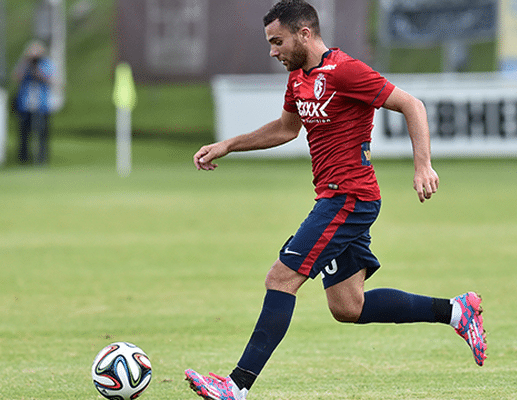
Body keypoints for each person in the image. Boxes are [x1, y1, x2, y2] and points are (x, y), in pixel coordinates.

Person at [185, 1, 486, 399]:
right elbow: (286, 129)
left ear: (304, 34)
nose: (273, 51)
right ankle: (456, 311)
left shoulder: (344, 70)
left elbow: (412, 105)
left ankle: (237, 386)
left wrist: (423, 166)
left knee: (280, 278)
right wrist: (228, 145)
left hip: (349, 198)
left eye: (278, 41)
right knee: (348, 307)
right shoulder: (298, 78)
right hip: (336, 198)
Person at [12, 40, 55, 165]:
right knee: (24, 133)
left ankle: (42, 159)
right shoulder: (24, 64)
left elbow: (49, 79)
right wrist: (26, 62)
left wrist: (36, 69)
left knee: (42, 133)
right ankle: (23, 159)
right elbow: (16, 77)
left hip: (41, 105)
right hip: (25, 104)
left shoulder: (46, 63)